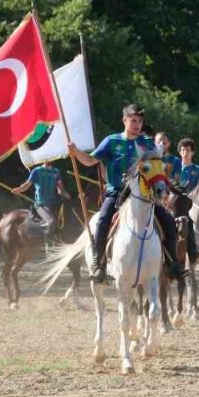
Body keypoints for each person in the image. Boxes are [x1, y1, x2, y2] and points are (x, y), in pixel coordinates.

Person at [68, 104, 186, 283]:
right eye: (133, 121)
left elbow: (156, 169)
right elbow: (91, 160)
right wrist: (76, 152)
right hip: (117, 194)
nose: (137, 125)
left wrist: (169, 183)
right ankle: (99, 264)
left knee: (169, 221)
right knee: (102, 220)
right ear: (125, 121)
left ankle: (172, 264)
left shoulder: (147, 143)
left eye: (140, 121)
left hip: (145, 195)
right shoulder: (111, 141)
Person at [12, 160, 70, 235]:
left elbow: (60, 189)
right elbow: (27, 185)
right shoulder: (36, 171)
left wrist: (66, 195)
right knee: (51, 222)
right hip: (41, 204)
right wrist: (19, 190)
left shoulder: (56, 172)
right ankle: (49, 245)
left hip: (54, 202)